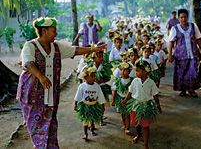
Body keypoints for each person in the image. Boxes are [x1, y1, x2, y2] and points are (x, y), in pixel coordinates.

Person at [16, 17, 106, 149]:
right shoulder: (29, 46)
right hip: (31, 94)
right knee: (35, 122)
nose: (56, 33)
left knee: (50, 121)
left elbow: (75, 50)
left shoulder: (56, 47)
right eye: (54, 30)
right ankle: (40, 145)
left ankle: (47, 145)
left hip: (51, 93)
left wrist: (94, 49)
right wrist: (40, 76)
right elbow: (28, 63)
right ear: (45, 31)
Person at [122, 60, 161, 149]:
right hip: (135, 106)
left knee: (145, 126)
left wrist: (158, 106)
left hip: (146, 107)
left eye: (137, 70)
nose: (135, 72)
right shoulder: (135, 81)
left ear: (144, 72)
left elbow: (155, 95)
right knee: (137, 124)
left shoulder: (151, 82)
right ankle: (139, 135)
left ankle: (146, 144)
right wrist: (125, 100)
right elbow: (130, 92)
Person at [167, 8, 201, 98]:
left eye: (185, 17)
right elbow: (170, 42)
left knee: (192, 72)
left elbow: (198, 39)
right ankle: (183, 90)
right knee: (181, 73)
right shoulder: (174, 28)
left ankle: (191, 90)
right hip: (180, 56)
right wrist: (169, 54)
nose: (183, 19)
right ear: (179, 18)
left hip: (193, 54)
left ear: (187, 17)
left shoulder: (193, 26)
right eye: (181, 17)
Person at [74, 66, 106, 142]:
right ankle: (85, 133)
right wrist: (75, 104)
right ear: (86, 78)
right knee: (85, 120)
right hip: (85, 106)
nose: (94, 78)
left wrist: (102, 105)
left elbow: (100, 95)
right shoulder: (82, 86)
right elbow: (78, 95)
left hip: (94, 105)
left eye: (94, 76)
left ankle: (92, 128)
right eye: (92, 76)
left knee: (92, 119)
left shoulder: (97, 86)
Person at [111, 62, 133, 135]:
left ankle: (127, 127)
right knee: (122, 113)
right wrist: (113, 100)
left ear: (129, 71)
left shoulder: (132, 80)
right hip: (120, 99)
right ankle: (124, 124)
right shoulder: (117, 81)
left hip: (129, 99)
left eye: (125, 70)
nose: (123, 72)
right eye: (121, 70)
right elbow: (115, 91)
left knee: (127, 114)